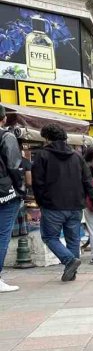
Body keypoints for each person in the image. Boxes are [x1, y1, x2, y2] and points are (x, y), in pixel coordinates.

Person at [31, 122, 93, 281]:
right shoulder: (77, 156)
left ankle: (69, 261)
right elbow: (87, 181)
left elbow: (37, 182)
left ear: (47, 138)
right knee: (73, 239)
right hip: (75, 205)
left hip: (52, 205)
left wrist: (41, 202)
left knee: (49, 237)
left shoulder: (42, 155)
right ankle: (72, 272)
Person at [0, 106, 25, 293]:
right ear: (3, 119)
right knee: (2, 235)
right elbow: (14, 165)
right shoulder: (6, 137)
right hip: (5, 193)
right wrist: (20, 189)